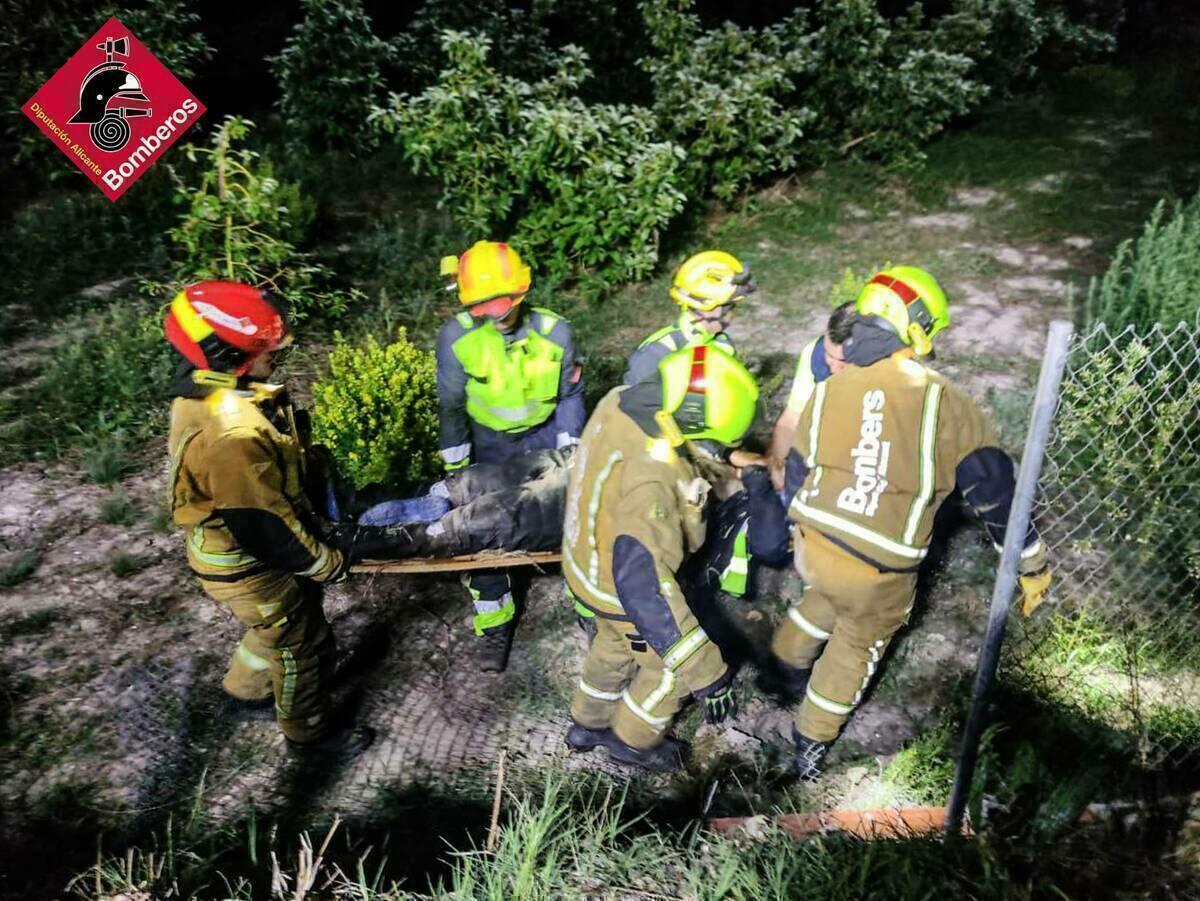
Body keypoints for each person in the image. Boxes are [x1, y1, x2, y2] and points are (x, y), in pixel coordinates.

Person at [767, 266, 1052, 779]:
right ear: (916, 326)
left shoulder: (829, 388)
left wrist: (799, 521)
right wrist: (1032, 562)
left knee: (825, 594)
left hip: (813, 543)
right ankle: (809, 741)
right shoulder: (947, 401)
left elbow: (796, 467)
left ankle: (785, 667)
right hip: (879, 564)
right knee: (857, 643)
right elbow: (994, 491)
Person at [164, 281, 378, 759]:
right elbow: (263, 525)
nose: (273, 357)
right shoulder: (233, 433)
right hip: (249, 562)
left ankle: (244, 691)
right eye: (263, 350)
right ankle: (308, 734)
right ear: (226, 352)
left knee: (270, 628)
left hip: (230, 554)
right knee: (300, 642)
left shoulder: (204, 391)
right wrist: (326, 563)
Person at [561, 344, 762, 771]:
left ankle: (587, 722)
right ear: (684, 422)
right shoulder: (654, 475)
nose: (713, 451)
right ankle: (632, 742)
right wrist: (708, 674)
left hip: (588, 562)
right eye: (711, 441)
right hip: (622, 588)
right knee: (667, 670)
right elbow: (645, 589)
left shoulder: (621, 401)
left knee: (613, 647)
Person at [436, 240, 584, 672]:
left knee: (568, 520)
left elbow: (571, 396)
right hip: (489, 445)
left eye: (505, 304)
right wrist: (457, 468)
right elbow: (450, 406)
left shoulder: (555, 332)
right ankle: (494, 624)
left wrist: (570, 451)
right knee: (483, 531)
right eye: (485, 307)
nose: (497, 316)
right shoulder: (457, 338)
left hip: (544, 436)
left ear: (523, 292)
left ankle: (588, 606)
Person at [622, 250, 755, 386]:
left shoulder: (722, 343)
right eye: (730, 307)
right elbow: (632, 402)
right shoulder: (658, 352)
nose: (732, 315)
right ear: (711, 308)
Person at [767, 301, 856, 490]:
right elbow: (792, 419)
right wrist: (777, 464)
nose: (832, 367)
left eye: (842, 361)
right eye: (829, 355)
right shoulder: (814, 354)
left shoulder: (888, 371)